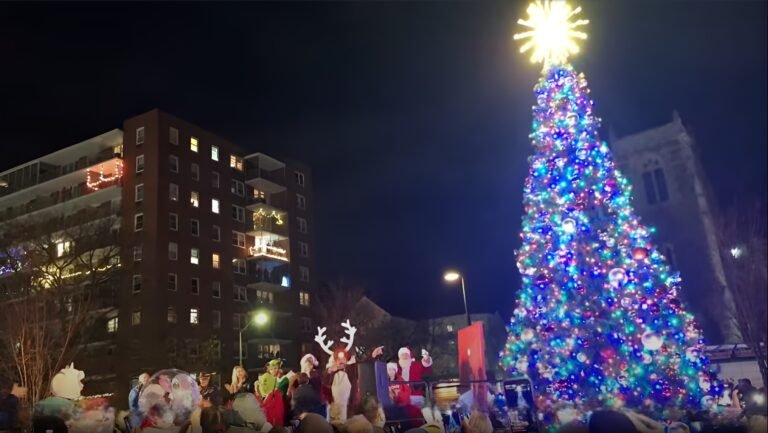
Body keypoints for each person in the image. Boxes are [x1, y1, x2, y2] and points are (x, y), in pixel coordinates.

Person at [257, 359, 285, 427]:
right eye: (272, 369)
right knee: (270, 416)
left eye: (276, 368)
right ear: (268, 369)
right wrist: (266, 395)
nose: (275, 370)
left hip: (275, 399)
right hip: (269, 399)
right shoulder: (266, 376)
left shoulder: (276, 377)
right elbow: (261, 388)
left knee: (277, 415)